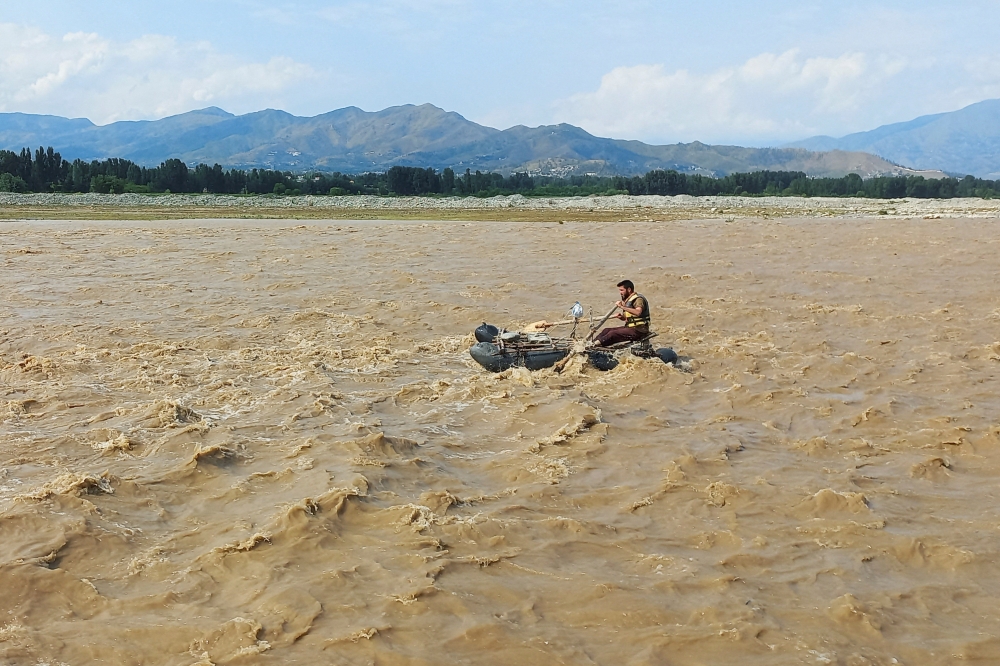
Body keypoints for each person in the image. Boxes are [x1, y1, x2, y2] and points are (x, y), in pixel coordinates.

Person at [595, 280, 651, 347]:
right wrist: (622, 317)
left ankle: (595, 345)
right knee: (606, 330)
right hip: (631, 328)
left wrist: (622, 307)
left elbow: (638, 312)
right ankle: (590, 344)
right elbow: (628, 319)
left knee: (613, 334)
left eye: (622, 290)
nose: (620, 293)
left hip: (639, 330)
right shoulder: (627, 301)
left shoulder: (638, 299)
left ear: (629, 289)